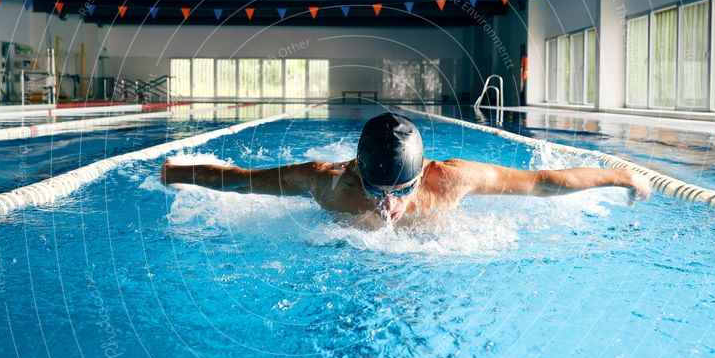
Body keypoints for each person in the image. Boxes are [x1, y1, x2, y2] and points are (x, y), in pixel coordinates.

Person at [160, 112, 651, 225]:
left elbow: (544, 183)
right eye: (378, 192)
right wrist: (174, 173)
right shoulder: (324, 181)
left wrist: (621, 174)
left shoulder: (454, 178)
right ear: (356, 171)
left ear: (423, 175)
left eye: (401, 192)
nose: (389, 207)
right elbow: (242, 182)